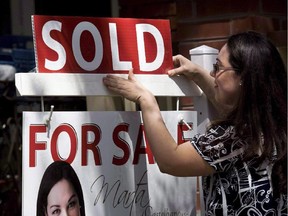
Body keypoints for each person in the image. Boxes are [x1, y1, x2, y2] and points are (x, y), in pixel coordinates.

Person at [103, 31, 287, 215]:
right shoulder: (273, 125)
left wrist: (146, 101)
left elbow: (171, 160)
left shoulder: (236, 137)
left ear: (244, 78)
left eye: (218, 67)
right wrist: (198, 74)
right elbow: (229, 101)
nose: (212, 73)